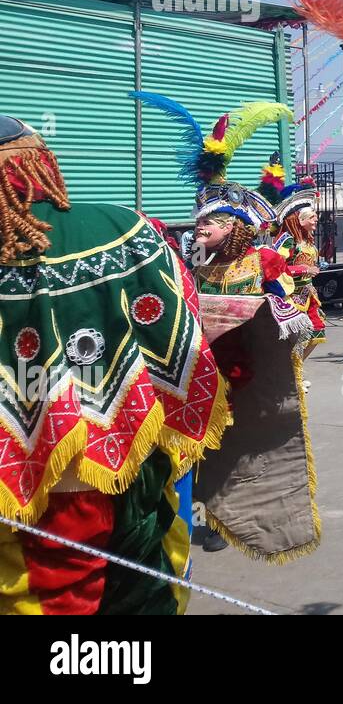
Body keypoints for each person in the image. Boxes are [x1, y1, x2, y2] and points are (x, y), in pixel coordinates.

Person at [0, 117, 231, 613]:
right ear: (43, 164)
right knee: (147, 590)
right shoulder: (126, 227)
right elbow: (186, 330)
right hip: (133, 464)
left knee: (43, 599)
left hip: (25, 485)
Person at [132, 92, 322, 562]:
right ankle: (194, 511)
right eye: (198, 226)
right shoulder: (197, 263)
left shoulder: (265, 260)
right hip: (199, 369)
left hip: (246, 371)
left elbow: (290, 312)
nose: (199, 231)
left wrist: (277, 315)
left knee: (238, 444)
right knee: (195, 443)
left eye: (208, 225)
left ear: (234, 228)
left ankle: (223, 516)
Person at [261, 152, 328, 357]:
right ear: (299, 219)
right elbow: (274, 268)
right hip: (289, 296)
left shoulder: (306, 240)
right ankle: (290, 372)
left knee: (317, 331)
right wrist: (304, 269)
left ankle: (295, 369)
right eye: (312, 217)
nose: (316, 219)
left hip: (308, 294)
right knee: (297, 336)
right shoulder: (286, 240)